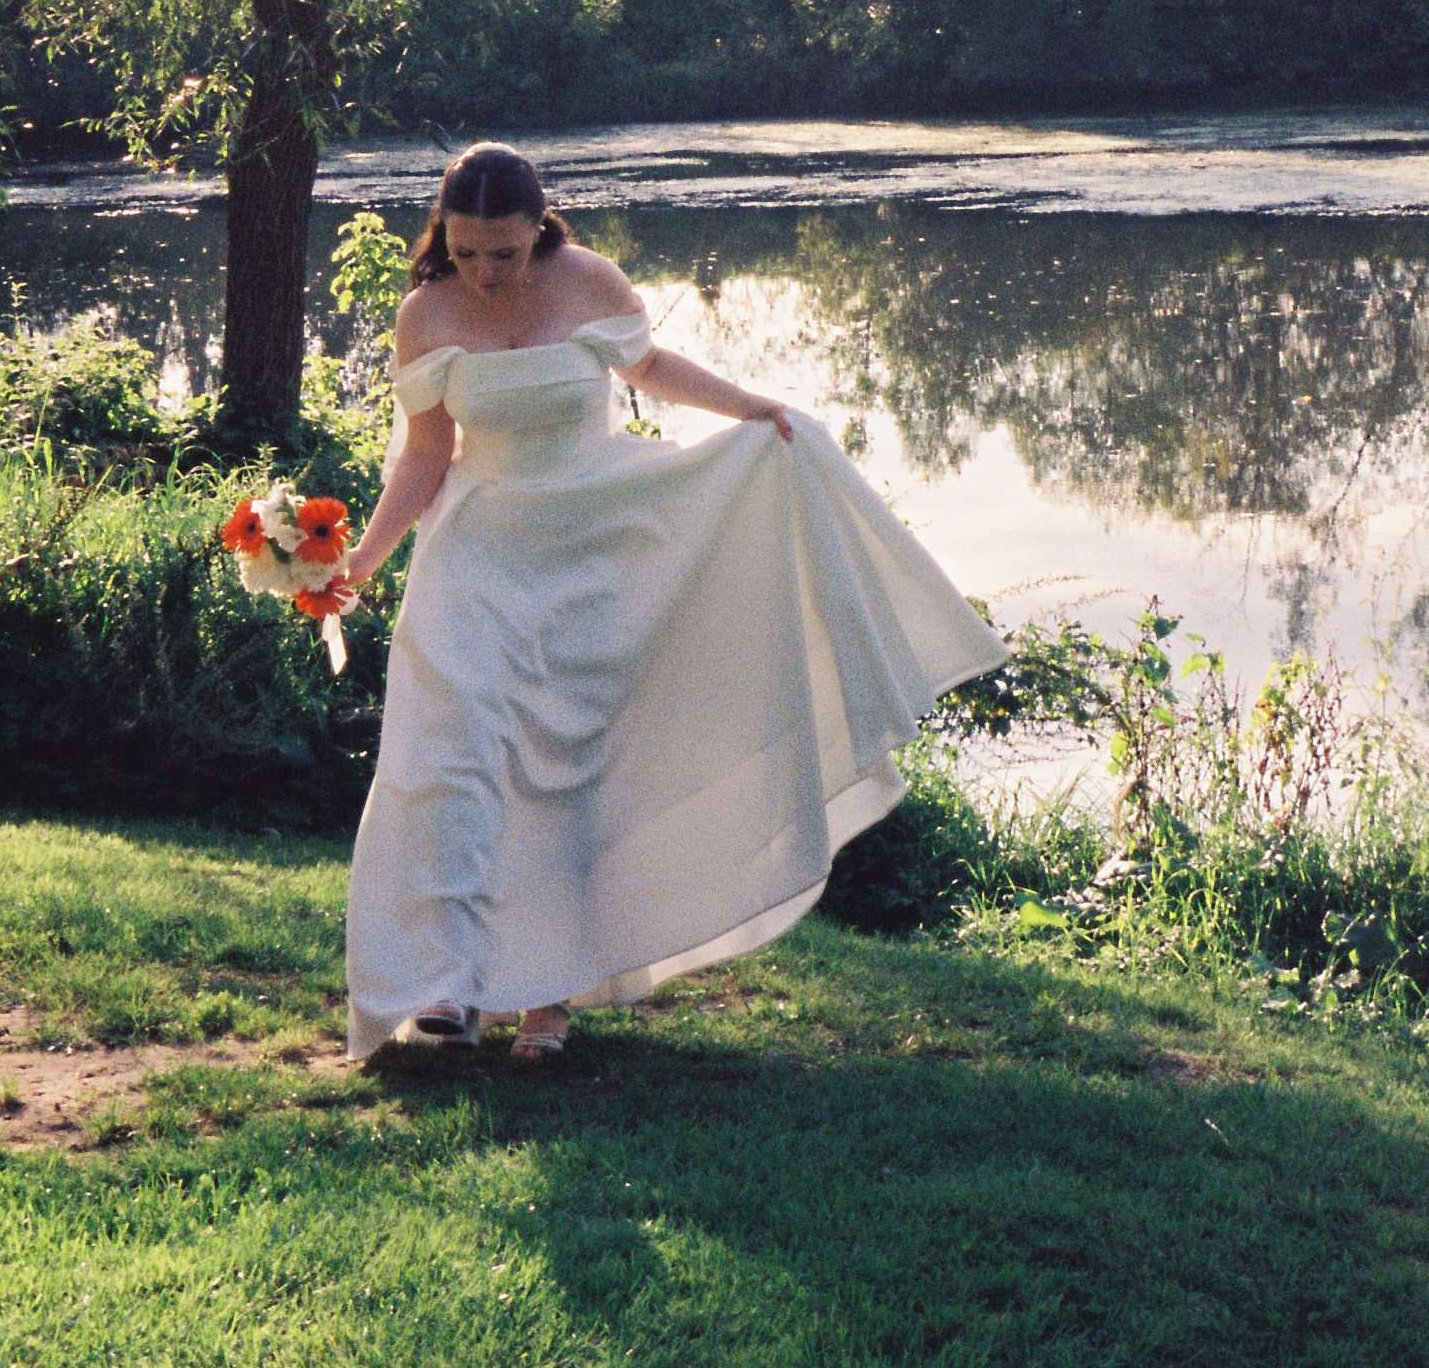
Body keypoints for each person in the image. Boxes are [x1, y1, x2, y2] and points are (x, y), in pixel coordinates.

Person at [336, 142, 1002, 1062]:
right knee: (453, 754)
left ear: (540, 226)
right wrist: (367, 557)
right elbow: (424, 450)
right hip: (478, 552)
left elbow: (649, 366)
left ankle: (547, 999)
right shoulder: (426, 311)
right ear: (442, 234)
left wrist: (750, 410)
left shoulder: (589, 281)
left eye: (504, 251)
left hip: (594, 547)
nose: (485, 271)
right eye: (465, 250)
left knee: (570, 771)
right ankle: (446, 982)